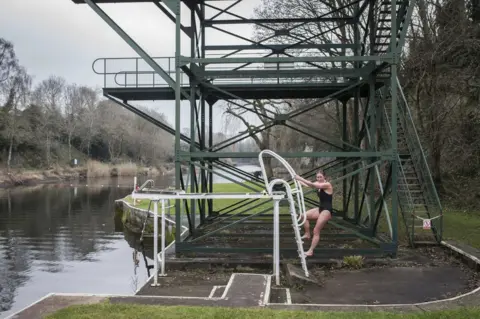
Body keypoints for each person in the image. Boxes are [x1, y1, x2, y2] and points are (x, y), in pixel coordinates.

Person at [294, 170, 333, 257]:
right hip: (320, 209)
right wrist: (298, 181)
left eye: (320, 177)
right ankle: (307, 234)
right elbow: (309, 184)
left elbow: (313, 185)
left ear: (324, 177)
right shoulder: (319, 184)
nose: (319, 179)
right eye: (317, 177)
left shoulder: (327, 184)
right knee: (303, 216)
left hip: (326, 211)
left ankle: (310, 251)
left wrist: (300, 178)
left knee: (316, 230)